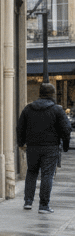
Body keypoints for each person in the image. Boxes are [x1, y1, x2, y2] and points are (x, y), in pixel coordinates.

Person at [18, 81, 72, 214]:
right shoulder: (57, 109)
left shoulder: (28, 108)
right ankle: (43, 205)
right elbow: (66, 129)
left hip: (32, 147)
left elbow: (20, 128)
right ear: (52, 94)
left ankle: (28, 202)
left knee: (31, 172)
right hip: (50, 147)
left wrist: (21, 143)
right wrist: (65, 145)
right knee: (47, 175)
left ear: (40, 94)